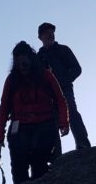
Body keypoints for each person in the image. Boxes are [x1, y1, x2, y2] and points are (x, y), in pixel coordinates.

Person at [0, 41, 69, 184]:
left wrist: (63, 121)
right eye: (18, 62)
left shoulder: (45, 74)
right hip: (20, 126)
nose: (22, 66)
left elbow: (60, 98)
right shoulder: (11, 81)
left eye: (24, 61)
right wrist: (0, 136)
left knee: (39, 164)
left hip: (44, 124)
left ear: (31, 58)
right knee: (19, 168)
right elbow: (3, 108)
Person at [36, 22, 91, 151]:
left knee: (71, 113)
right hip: (48, 96)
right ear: (40, 37)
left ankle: (83, 144)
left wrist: (64, 81)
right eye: (46, 32)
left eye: (51, 32)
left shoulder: (63, 50)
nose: (50, 34)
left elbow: (77, 68)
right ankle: (55, 155)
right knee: (50, 122)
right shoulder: (38, 58)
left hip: (65, 90)